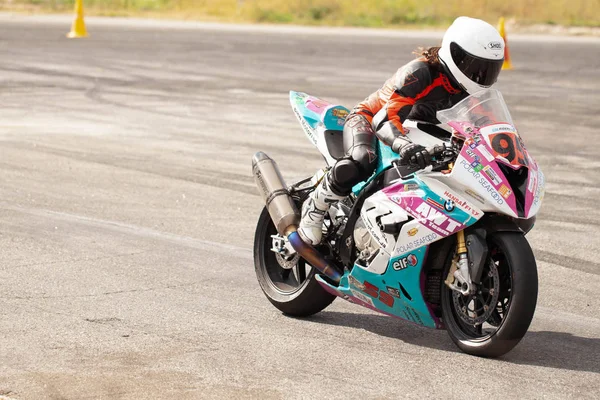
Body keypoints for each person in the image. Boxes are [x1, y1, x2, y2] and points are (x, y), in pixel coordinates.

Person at [298, 16, 506, 245]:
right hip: (372, 120)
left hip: (417, 131)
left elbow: (491, 130)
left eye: (489, 69)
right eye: (476, 67)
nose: (481, 76)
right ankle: (314, 208)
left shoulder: (474, 93)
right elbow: (385, 118)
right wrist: (405, 145)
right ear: (455, 55)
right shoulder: (421, 73)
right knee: (362, 160)